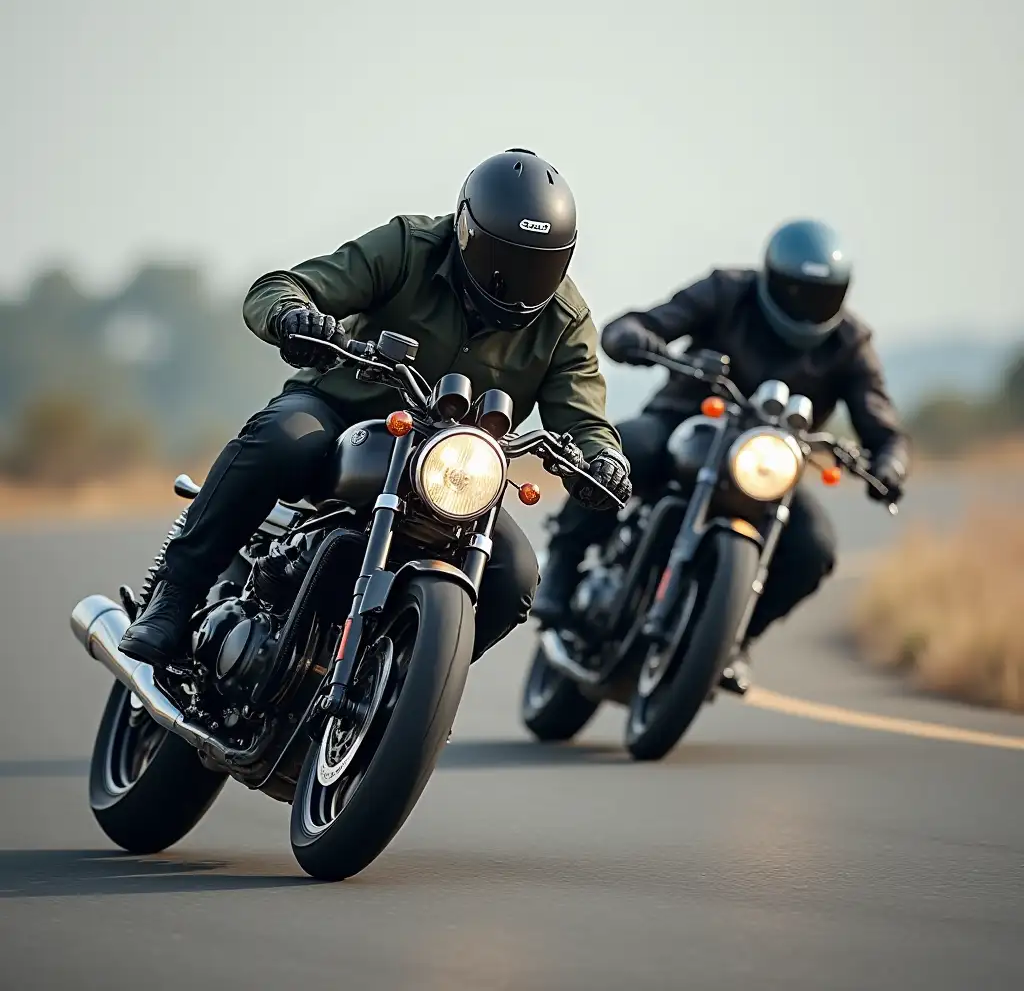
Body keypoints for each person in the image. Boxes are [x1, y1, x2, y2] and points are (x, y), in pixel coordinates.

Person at [118, 149, 632, 669]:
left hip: (451, 469)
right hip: (342, 415)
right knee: (283, 437)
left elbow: (585, 415)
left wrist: (603, 460)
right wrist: (294, 317)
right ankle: (174, 596)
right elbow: (280, 287)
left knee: (515, 574)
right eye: (507, 259)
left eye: (538, 264)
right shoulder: (409, 246)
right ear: (468, 233)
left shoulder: (566, 320)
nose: (520, 280)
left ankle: (406, 685)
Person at [531, 218, 909, 694]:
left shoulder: (851, 343)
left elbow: (882, 422)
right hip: (683, 423)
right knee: (617, 452)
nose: (807, 305)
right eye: (797, 290)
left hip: (766, 462)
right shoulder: (726, 291)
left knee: (814, 547)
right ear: (772, 277)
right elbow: (646, 322)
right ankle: (562, 569)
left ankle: (734, 638)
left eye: (821, 294)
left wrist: (890, 463)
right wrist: (635, 336)